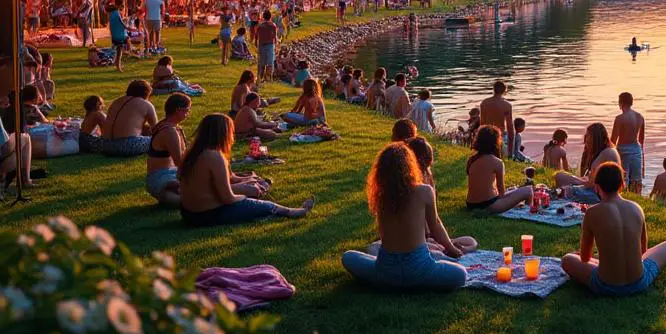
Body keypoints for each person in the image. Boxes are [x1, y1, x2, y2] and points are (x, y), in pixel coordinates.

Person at [341, 143, 468, 292]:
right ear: (410, 166)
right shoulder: (424, 191)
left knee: (348, 257)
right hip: (420, 271)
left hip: (386, 273)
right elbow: (435, 226)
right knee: (461, 274)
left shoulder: (380, 196)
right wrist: (452, 249)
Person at [561, 162, 666, 297]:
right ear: (622, 184)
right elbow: (643, 251)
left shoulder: (592, 212)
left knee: (567, 259)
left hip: (605, 285)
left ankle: (610, 265)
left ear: (597, 187)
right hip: (639, 282)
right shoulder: (636, 208)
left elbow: (585, 258)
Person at [178, 113, 313, 227]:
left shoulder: (194, 152)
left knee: (251, 192)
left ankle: (261, 213)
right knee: (265, 205)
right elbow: (228, 198)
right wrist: (245, 194)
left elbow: (213, 186)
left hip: (189, 213)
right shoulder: (214, 156)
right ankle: (293, 212)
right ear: (223, 133)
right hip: (207, 215)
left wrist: (246, 183)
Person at [403, 136, 477, 253]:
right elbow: (433, 224)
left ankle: (451, 248)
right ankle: (446, 249)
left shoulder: (428, 177)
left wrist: (443, 241)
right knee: (438, 248)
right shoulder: (409, 186)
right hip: (416, 240)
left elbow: (434, 220)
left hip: (429, 237)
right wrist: (449, 247)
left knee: (471, 241)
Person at [463, 125, 533, 213]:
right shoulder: (497, 162)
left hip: (470, 204)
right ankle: (526, 213)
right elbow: (502, 194)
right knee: (528, 190)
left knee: (512, 190)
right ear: (496, 142)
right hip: (488, 205)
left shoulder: (472, 159)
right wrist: (513, 199)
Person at [556, 123, 621, 202]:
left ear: (595, 138)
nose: (586, 139)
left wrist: (577, 181)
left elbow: (594, 185)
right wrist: (580, 180)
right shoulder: (606, 150)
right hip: (596, 190)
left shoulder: (607, 153)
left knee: (565, 189)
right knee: (560, 176)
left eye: (588, 136)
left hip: (599, 195)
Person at [100, 80, 157, 156]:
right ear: (147, 93)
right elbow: (156, 129)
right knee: (159, 139)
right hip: (127, 145)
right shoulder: (146, 104)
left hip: (105, 145)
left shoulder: (116, 101)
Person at [611, 91, 645, 193]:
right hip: (636, 149)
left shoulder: (619, 119)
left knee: (623, 177)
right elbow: (641, 140)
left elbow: (613, 140)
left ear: (620, 103)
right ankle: (636, 197)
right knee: (636, 179)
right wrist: (643, 161)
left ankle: (623, 195)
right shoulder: (640, 117)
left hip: (623, 149)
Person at [479, 80, 515, 152]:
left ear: (493, 89)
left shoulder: (484, 102)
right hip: (499, 135)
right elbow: (510, 127)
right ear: (504, 91)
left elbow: (482, 123)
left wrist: (480, 140)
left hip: (486, 135)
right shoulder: (507, 105)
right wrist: (510, 153)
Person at [254, 11, 278, 82]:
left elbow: (256, 35)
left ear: (263, 17)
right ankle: (268, 77)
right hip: (270, 44)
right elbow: (275, 37)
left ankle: (260, 76)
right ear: (270, 17)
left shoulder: (260, 25)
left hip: (261, 44)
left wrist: (256, 42)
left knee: (261, 62)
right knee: (270, 62)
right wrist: (276, 45)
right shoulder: (273, 25)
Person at [107, 0, 128, 72]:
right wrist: (127, 26)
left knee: (117, 49)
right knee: (119, 50)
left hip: (114, 33)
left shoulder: (112, 13)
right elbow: (121, 23)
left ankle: (116, 63)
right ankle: (118, 66)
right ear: (119, 5)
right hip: (119, 34)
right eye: (122, 5)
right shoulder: (116, 13)